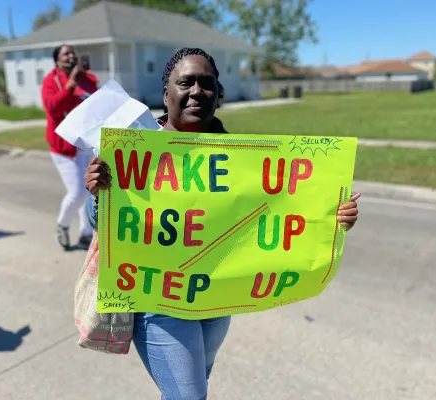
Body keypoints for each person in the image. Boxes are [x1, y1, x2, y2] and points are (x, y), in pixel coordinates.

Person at [83, 48, 361, 399]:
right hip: (158, 300)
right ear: (166, 93)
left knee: (197, 380)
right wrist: (98, 194)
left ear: (220, 94)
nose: (197, 91)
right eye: (185, 82)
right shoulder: (134, 147)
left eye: (206, 83)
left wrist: (330, 218)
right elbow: (103, 226)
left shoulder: (241, 156)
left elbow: (278, 215)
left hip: (216, 300)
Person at [41, 45, 98, 250]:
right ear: (57, 60)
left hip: (85, 144)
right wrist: (72, 83)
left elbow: (96, 103)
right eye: (66, 53)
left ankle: (85, 234)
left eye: (73, 52)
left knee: (89, 191)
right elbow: (52, 107)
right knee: (78, 193)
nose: (71, 55)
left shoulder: (88, 79)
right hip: (63, 147)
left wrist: (86, 79)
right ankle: (62, 225)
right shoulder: (51, 81)